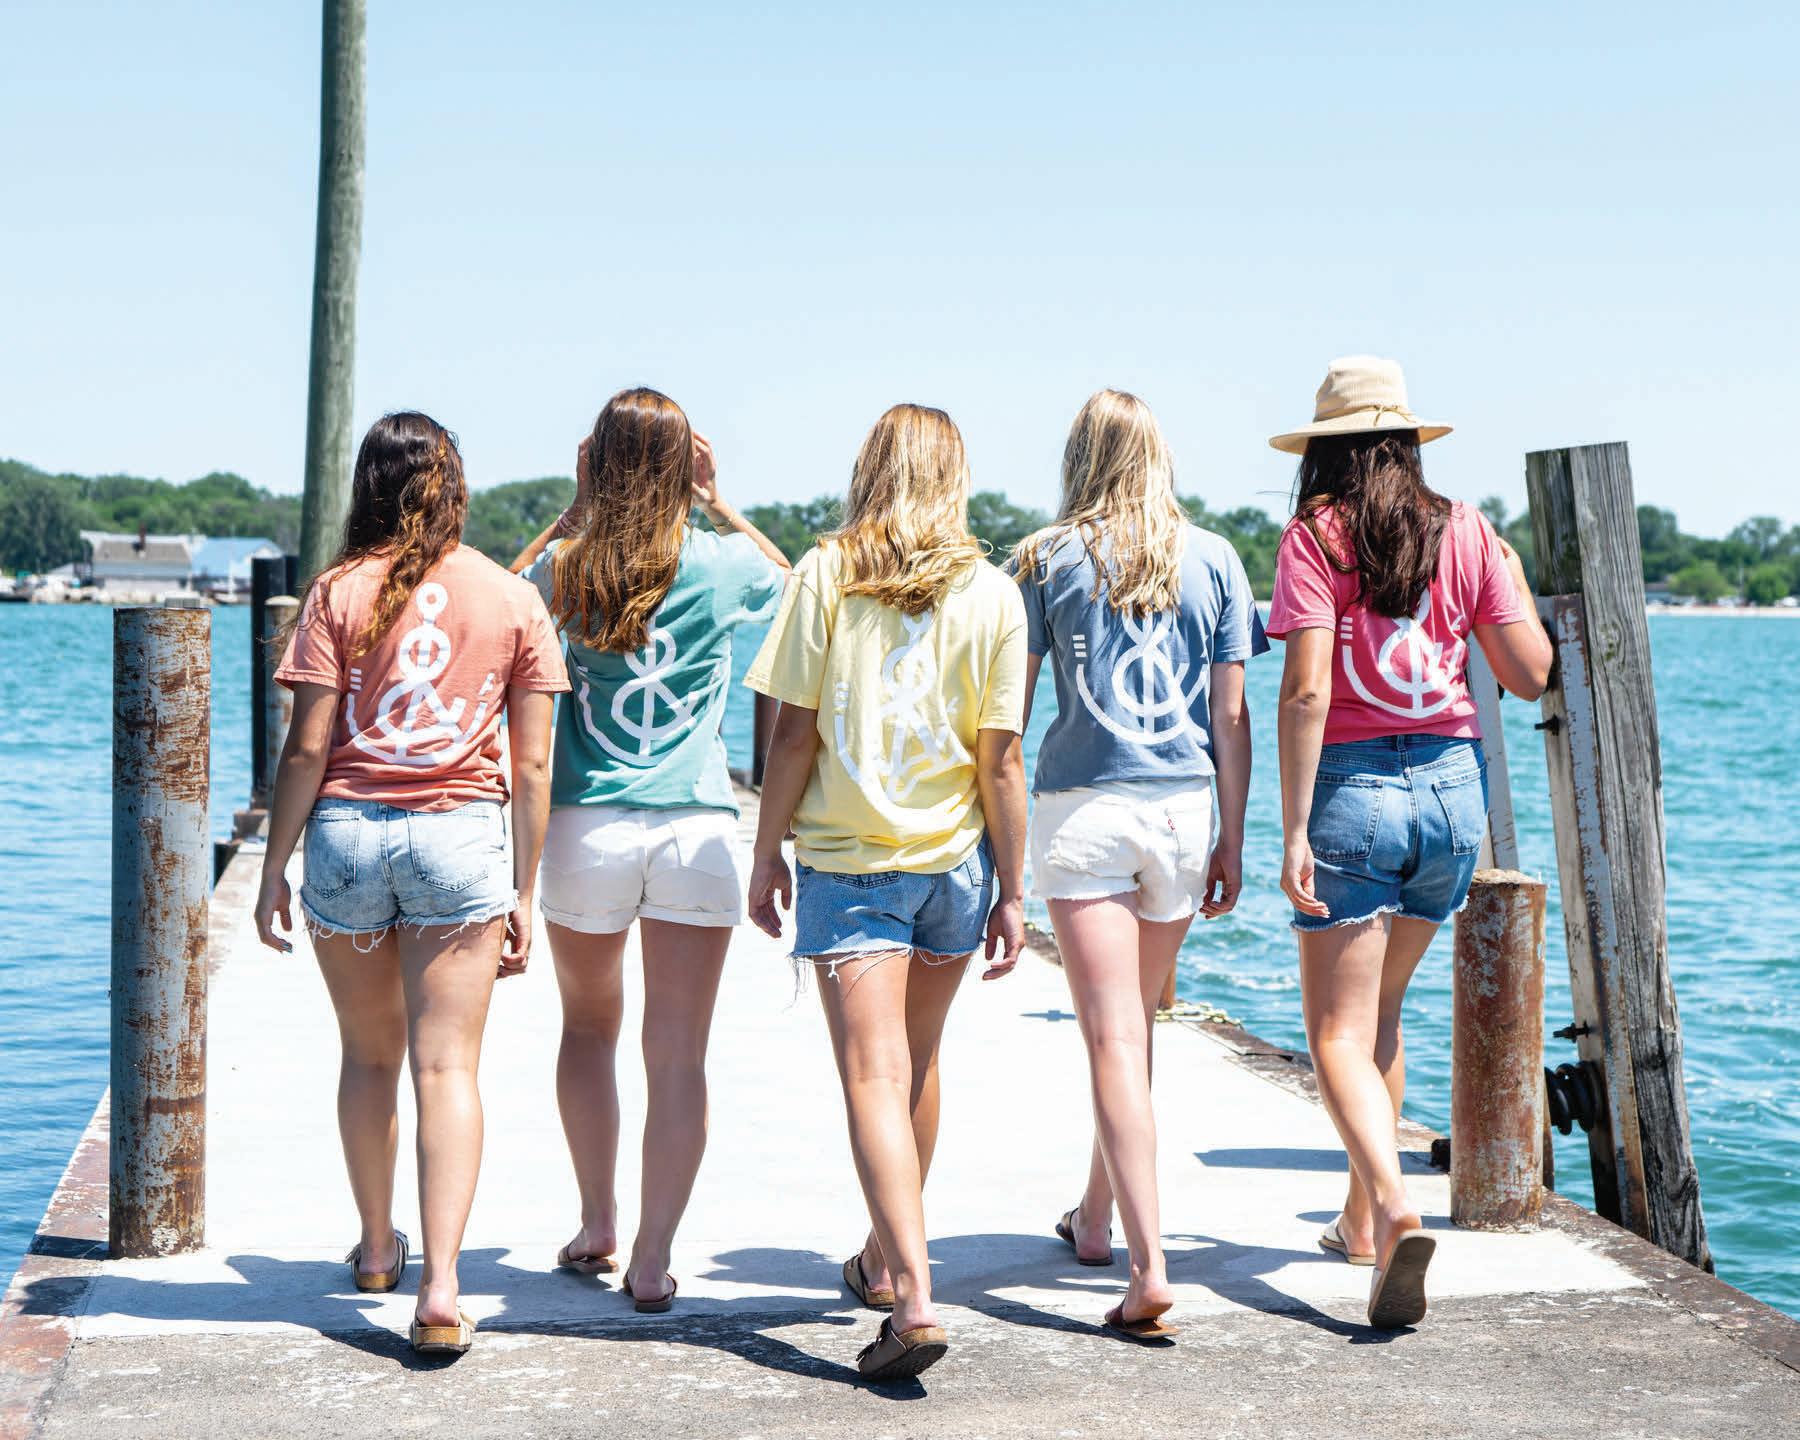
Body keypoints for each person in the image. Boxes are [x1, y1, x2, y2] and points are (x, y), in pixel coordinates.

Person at [253, 411, 568, 1356]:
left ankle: (377, 1250)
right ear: (455, 489)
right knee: (447, 1069)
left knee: (367, 1058)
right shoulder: (511, 596)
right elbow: (534, 766)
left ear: (369, 488)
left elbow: (307, 748)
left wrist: (273, 869)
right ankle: (441, 1289)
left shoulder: (337, 590)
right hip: (459, 841)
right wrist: (523, 891)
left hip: (347, 837)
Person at [743, 403, 1028, 1381]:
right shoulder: (994, 593)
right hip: (955, 867)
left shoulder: (826, 573)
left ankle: (913, 1298)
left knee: (874, 1074)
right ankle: (878, 1261)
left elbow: (792, 735)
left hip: (853, 864)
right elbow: (1001, 762)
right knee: (916, 1061)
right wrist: (1014, 890)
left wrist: (766, 852)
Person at [1265, 357, 1552, 1328]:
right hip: (1453, 796)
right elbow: (1529, 674)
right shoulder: (1465, 529)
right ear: (1406, 440)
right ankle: (1357, 1223)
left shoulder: (1316, 535)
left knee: (1335, 1033)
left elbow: (1307, 690)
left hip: (1356, 794)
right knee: (1379, 1013)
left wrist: (1292, 826)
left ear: (1326, 451)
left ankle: (1392, 1209)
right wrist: (1510, 575)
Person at [508, 387, 790, 1312]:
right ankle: (653, 1259)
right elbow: (795, 586)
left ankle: (598, 1222)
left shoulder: (566, 568)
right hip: (694, 830)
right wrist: (718, 501)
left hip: (586, 828)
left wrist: (571, 510)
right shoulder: (722, 565)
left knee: (588, 1030)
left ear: (596, 463)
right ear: (683, 468)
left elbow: (497, 602)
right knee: (678, 1056)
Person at [1011, 388, 1265, 1342]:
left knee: (1117, 1038)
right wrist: (1234, 834)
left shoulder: (1043, 559)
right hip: (1183, 815)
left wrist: (993, 841)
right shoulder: (1218, 559)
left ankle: (1149, 1269)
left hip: (1085, 813)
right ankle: (1095, 1218)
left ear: (1079, 457)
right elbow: (1230, 717)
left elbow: (1009, 714)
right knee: (1135, 1030)